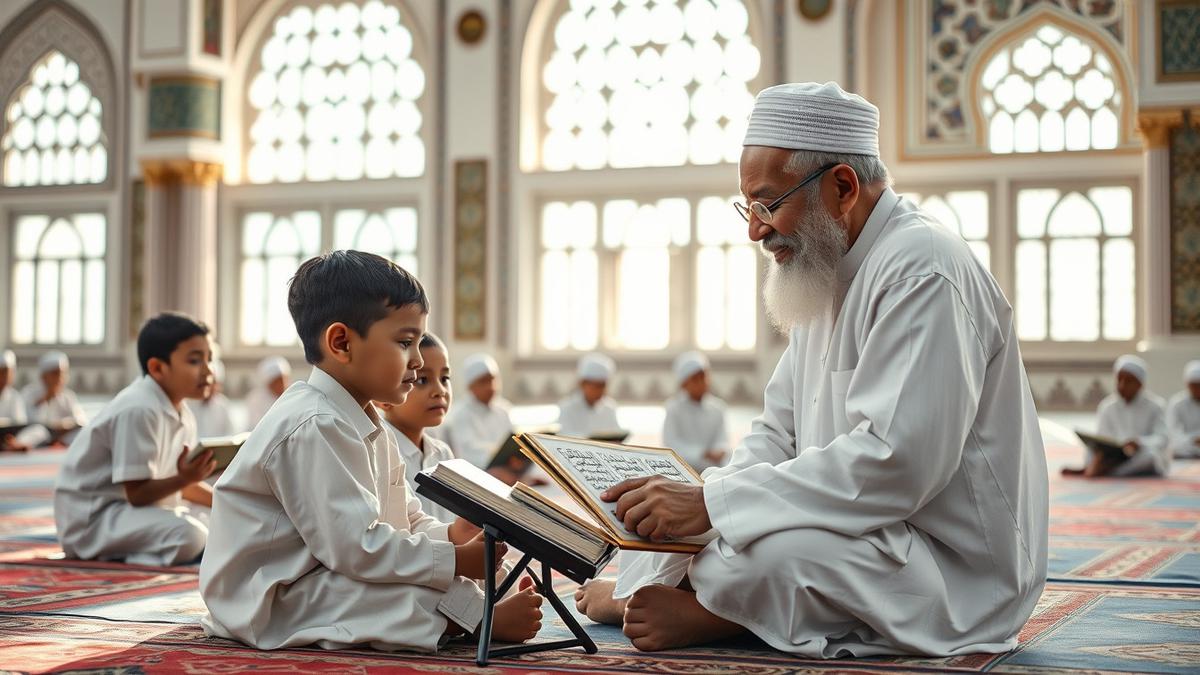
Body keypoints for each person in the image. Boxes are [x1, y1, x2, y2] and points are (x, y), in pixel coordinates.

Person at [574, 82, 1048, 658]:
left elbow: (898, 464)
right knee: (693, 532)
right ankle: (693, 597)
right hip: (863, 524)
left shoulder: (921, 269)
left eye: (768, 204)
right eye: (748, 207)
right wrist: (704, 502)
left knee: (756, 551)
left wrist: (714, 504)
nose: (755, 229)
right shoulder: (825, 268)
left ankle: (707, 610)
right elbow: (778, 433)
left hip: (950, 566)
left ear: (842, 187)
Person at [200, 250, 542, 652]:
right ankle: (481, 619)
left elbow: (404, 520)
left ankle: (471, 614)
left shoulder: (369, 423)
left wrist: (452, 536)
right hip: (268, 595)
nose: (417, 361)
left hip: (322, 569)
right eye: (405, 343)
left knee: (432, 571)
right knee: (403, 586)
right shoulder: (314, 423)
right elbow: (357, 550)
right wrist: (452, 559)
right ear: (342, 343)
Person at [53, 313, 217, 566]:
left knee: (220, 521)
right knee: (191, 535)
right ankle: (128, 557)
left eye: (209, 359)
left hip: (136, 512)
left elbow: (181, 485)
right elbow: (138, 494)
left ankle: (151, 553)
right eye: (195, 360)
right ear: (157, 368)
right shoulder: (139, 408)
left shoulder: (183, 414)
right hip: (96, 519)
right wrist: (185, 478)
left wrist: (225, 502)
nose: (207, 370)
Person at [378, 332, 462, 524]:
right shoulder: (380, 454)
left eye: (445, 378)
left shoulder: (443, 454)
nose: (440, 390)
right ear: (383, 398)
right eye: (422, 380)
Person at [1070, 355, 1168, 477]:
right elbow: (1102, 436)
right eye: (1119, 380)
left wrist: (1139, 442)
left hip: (1138, 454)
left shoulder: (1156, 406)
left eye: (1128, 381)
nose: (1122, 385)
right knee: (1090, 452)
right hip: (1114, 455)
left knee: (1150, 457)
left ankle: (1110, 472)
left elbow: (1162, 439)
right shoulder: (1107, 406)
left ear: (1140, 384)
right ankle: (1101, 467)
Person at [440, 353, 513, 468]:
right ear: (470, 386)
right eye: (483, 381)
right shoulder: (459, 415)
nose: (491, 386)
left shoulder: (504, 410)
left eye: (493, 379)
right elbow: (468, 457)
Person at [662, 351, 729, 471]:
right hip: (683, 469)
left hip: (712, 470)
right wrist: (702, 453)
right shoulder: (673, 408)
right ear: (684, 384)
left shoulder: (718, 408)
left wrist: (719, 451)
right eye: (695, 379)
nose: (702, 383)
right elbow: (671, 445)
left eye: (703, 377)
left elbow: (722, 440)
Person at [22, 351, 88, 447]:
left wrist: (65, 425)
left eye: (62, 374)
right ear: (44, 376)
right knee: (38, 431)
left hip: (62, 437)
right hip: (41, 436)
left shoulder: (68, 396)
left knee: (82, 432)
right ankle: (20, 445)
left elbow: (80, 420)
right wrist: (46, 398)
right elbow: (29, 421)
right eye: (55, 374)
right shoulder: (29, 392)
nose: (59, 378)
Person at [557, 353, 620, 437]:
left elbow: (616, 435)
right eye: (597, 386)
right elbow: (563, 437)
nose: (602, 391)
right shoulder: (566, 408)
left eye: (604, 386)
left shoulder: (610, 408)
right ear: (583, 384)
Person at [188, 359, 235, 438]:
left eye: (215, 383)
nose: (211, 387)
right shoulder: (189, 404)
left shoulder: (223, 406)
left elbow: (231, 433)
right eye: (209, 383)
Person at [244, 356, 290, 430]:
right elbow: (259, 427)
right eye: (277, 382)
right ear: (268, 383)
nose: (282, 384)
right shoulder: (256, 400)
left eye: (284, 380)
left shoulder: (292, 397)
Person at [1167, 360, 1200, 459]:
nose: (1197, 388)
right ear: (1187, 384)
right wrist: (1193, 440)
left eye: (1199, 384)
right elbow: (1173, 433)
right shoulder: (1177, 403)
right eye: (1193, 385)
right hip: (1185, 449)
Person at [0, 349, 31, 452]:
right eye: (2, 372)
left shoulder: (15, 396)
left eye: (8, 372)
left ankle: (14, 445)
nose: (5, 376)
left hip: (9, 437)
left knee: (39, 430)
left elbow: (20, 423)